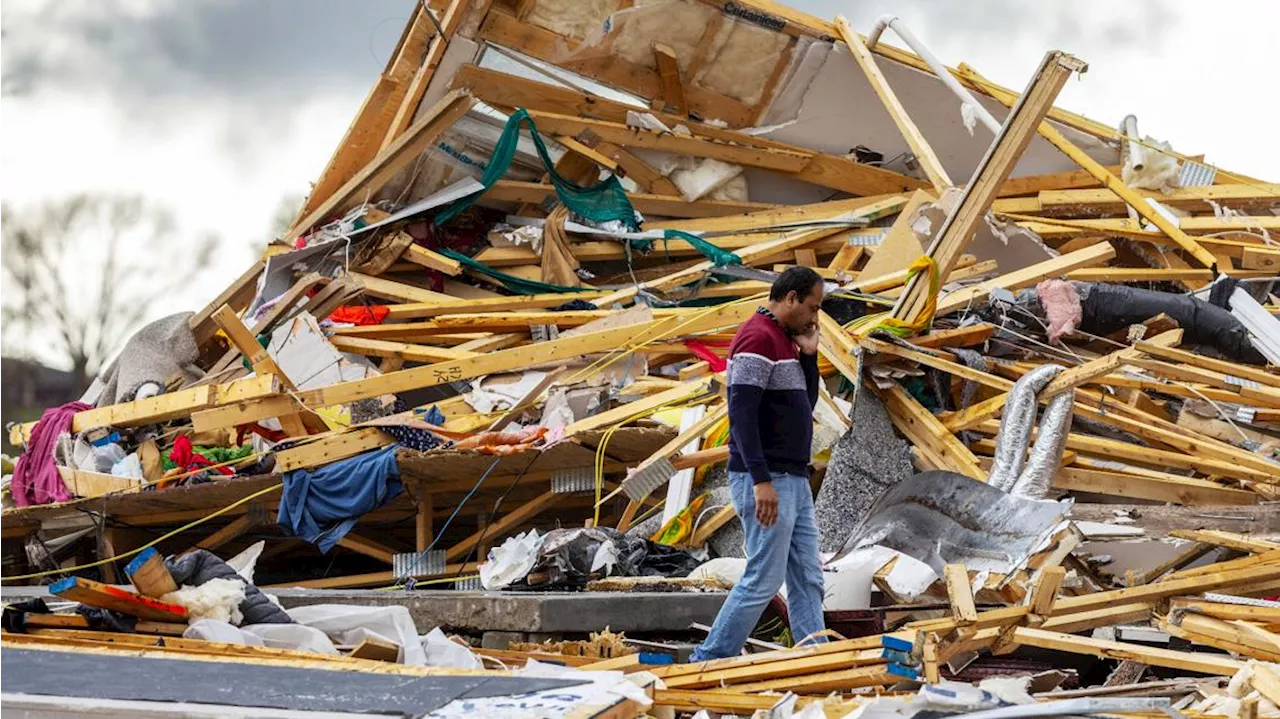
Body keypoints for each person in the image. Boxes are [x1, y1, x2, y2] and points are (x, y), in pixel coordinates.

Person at [690, 266, 827, 662]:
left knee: (807, 576)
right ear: (791, 298)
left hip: (793, 478)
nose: (814, 318)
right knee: (765, 578)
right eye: (812, 307)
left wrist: (810, 358)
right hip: (768, 478)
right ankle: (709, 658)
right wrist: (760, 480)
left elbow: (807, 403)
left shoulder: (785, 341)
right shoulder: (757, 338)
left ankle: (815, 659)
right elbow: (742, 416)